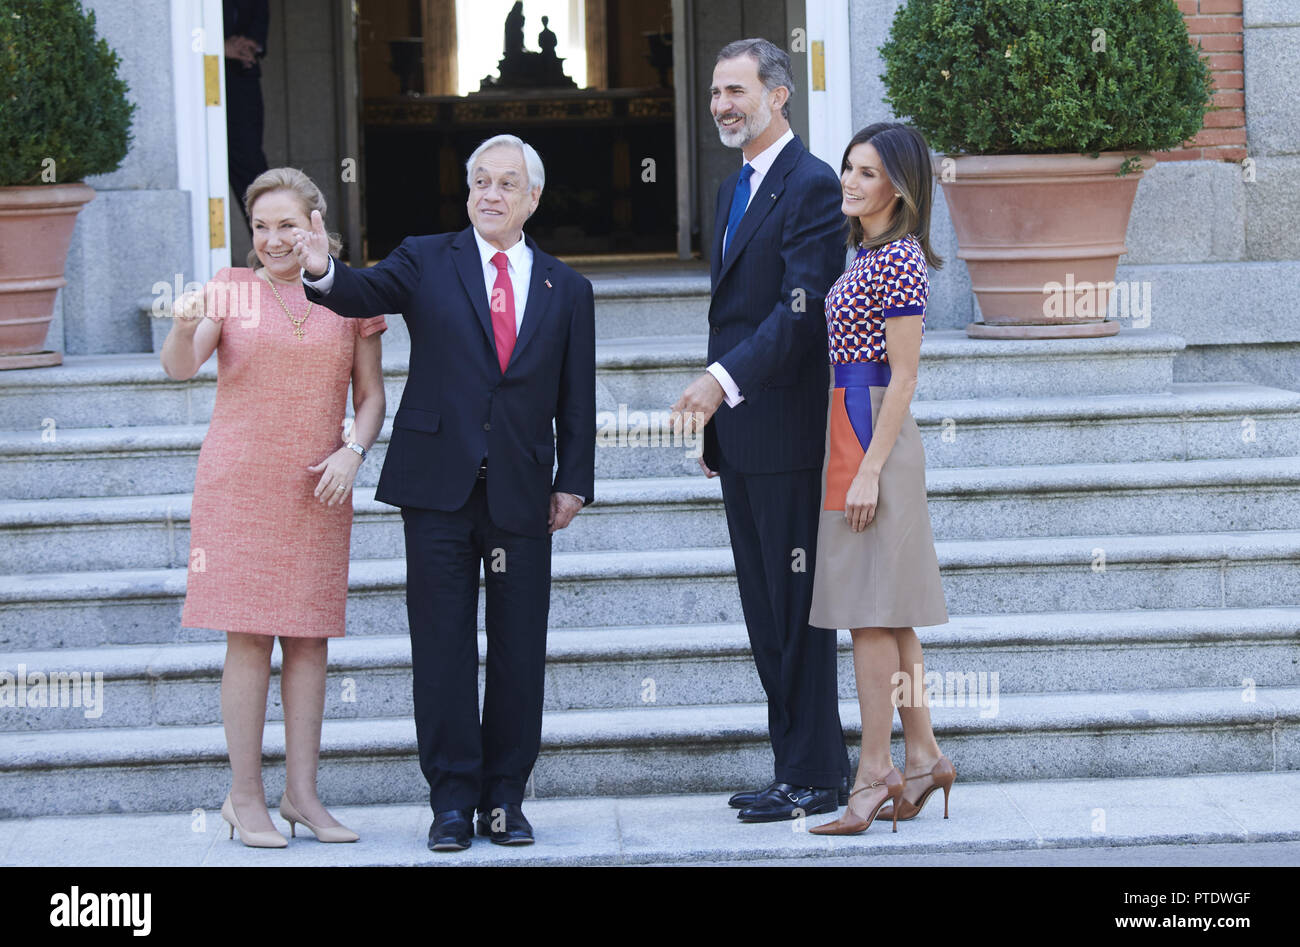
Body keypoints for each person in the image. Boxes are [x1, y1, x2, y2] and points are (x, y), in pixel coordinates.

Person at [293, 134, 595, 852]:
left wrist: (574, 482)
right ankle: (453, 802)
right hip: (437, 490)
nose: (490, 194)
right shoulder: (427, 258)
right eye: (479, 182)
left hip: (522, 494)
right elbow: (361, 290)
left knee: (520, 650)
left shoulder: (567, 288)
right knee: (442, 648)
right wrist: (321, 270)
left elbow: (575, 397)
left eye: (505, 184)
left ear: (533, 198)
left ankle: (505, 801)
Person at [162, 167, 386, 848]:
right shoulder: (230, 289)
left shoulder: (352, 294)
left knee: (311, 637)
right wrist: (182, 325)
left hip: (318, 485)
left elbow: (371, 398)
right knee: (250, 634)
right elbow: (181, 368)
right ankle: (244, 796)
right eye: (261, 227)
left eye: (287, 224)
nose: (273, 239)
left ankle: (302, 795)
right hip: (238, 486)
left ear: (316, 223)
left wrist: (353, 452)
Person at [670, 38, 851, 823]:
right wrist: (721, 421)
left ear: (780, 95)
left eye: (736, 91)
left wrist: (719, 383)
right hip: (745, 438)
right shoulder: (735, 187)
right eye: (715, 93)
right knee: (765, 609)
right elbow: (736, 312)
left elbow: (801, 313)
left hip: (787, 434)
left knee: (798, 610)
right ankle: (795, 769)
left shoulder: (812, 186)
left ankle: (817, 774)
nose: (722, 105)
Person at [807, 122, 954, 837]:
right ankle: (921, 754)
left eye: (866, 173)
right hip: (850, 420)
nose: (850, 181)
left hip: (870, 430)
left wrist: (867, 469)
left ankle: (873, 774)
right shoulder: (867, 251)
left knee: (867, 611)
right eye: (848, 168)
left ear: (897, 186)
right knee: (889, 611)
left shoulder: (897, 260)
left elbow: (904, 379)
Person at [223, 0, 270, 234]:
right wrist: (218, 47)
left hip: (243, 78)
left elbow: (260, 13)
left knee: (251, 165)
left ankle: (273, 246)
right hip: (201, 82)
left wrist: (251, 44)